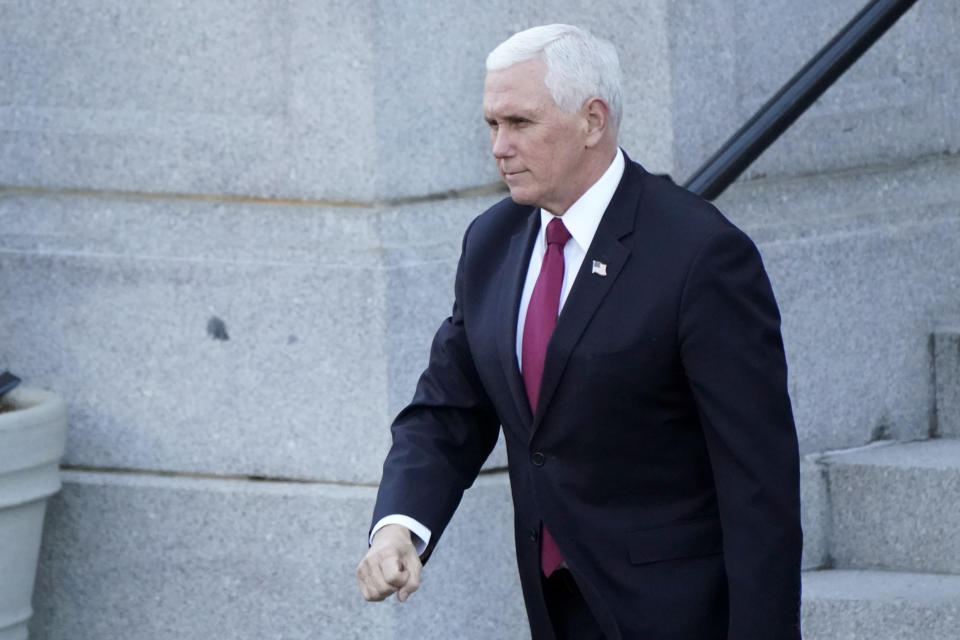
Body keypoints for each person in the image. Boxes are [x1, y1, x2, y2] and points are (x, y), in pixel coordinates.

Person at [356, 23, 802, 640]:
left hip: (679, 613)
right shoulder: (491, 242)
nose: (499, 147)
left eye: (520, 123)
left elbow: (759, 484)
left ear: (592, 121)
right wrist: (398, 526)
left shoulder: (701, 255)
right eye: (492, 125)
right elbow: (447, 411)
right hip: (556, 610)